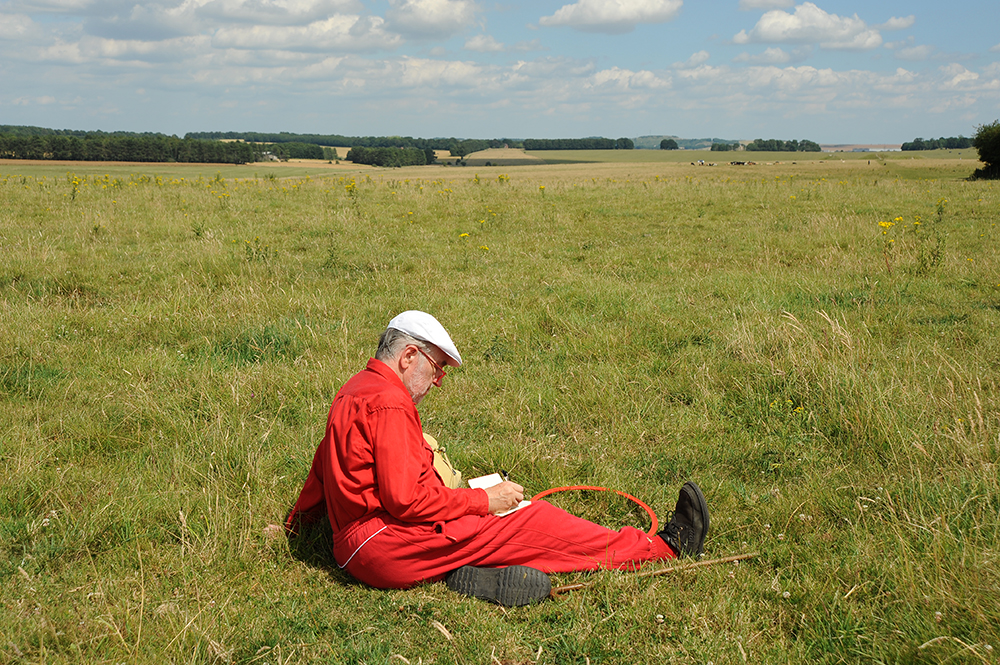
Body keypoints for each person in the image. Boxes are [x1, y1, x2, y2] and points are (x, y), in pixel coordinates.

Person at [285, 311, 710, 606]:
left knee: (486, 503)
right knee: (530, 519)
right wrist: (485, 503)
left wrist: (296, 526)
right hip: (388, 548)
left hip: (357, 548)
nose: (436, 383)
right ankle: (664, 548)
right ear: (409, 356)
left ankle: (465, 571)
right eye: (436, 370)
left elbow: (322, 471)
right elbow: (404, 501)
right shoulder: (393, 404)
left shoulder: (354, 389)